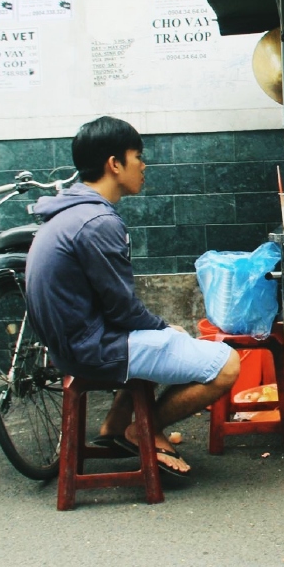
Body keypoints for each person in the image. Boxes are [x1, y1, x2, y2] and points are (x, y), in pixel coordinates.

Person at [25, 117, 239, 477]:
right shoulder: (97, 222)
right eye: (137, 156)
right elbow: (121, 308)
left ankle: (115, 426)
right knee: (226, 364)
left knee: (159, 335)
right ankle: (142, 429)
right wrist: (164, 329)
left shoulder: (67, 213)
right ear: (114, 164)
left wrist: (159, 329)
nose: (143, 166)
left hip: (70, 348)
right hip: (92, 350)